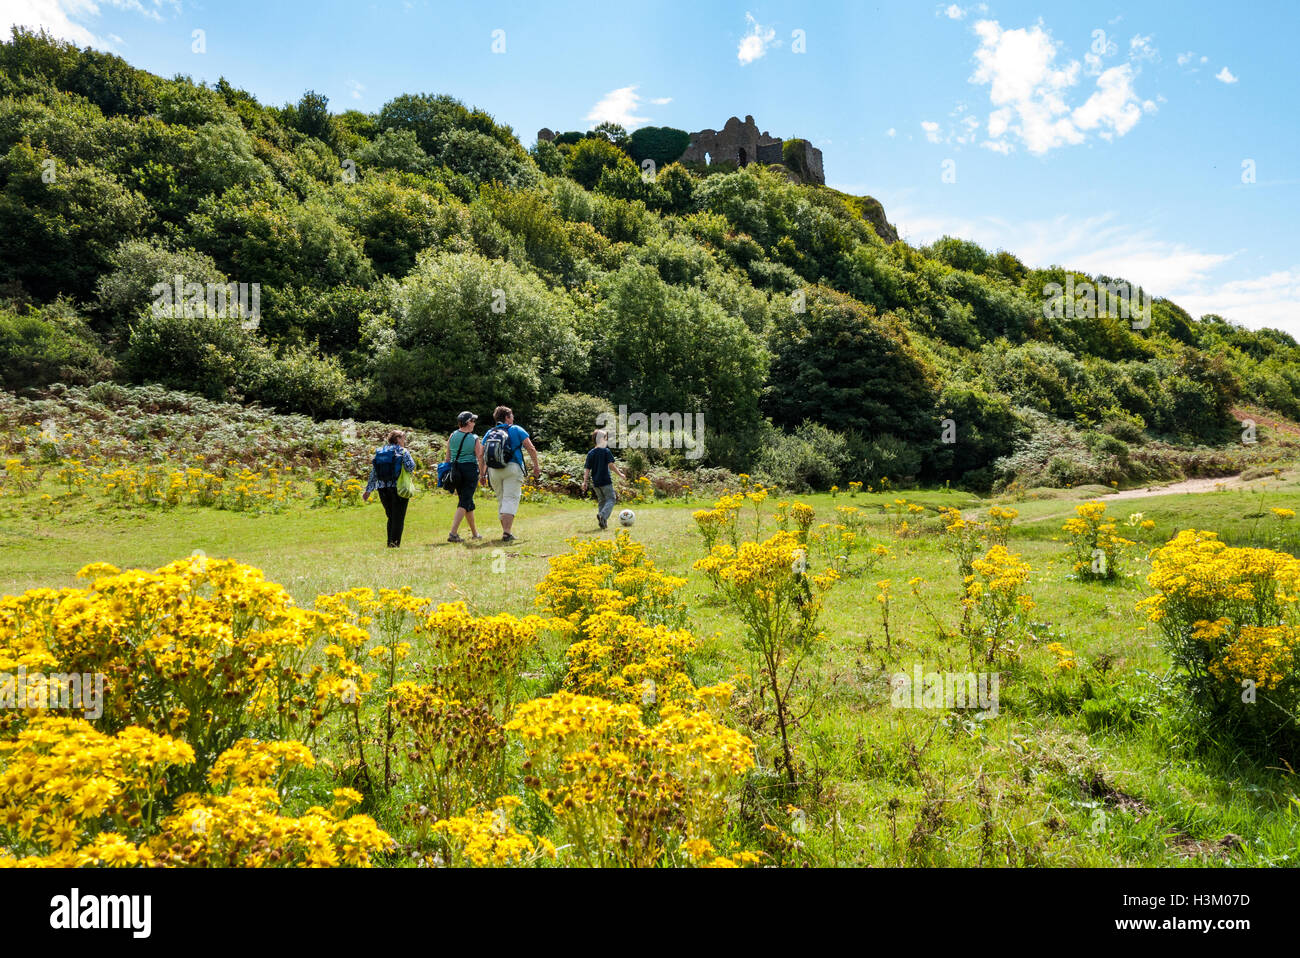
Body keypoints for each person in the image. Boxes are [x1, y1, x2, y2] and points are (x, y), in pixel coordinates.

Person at [482, 405, 539, 543]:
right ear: (507, 417)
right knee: (511, 499)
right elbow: (531, 448)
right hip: (512, 467)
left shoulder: (490, 432)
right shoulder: (516, 429)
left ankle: (506, 531)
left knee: (502, 500)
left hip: (493, 469)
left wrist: (482, 474)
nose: (513, 418)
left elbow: (481, 454)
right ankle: (507, 533)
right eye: (512, 415)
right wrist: (536, 466)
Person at [362, 430, 417, 548]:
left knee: (391, 517)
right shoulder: (403, 451)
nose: (404, 441)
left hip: (382, 489)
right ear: (397, 439)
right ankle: (394, 545)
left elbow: (374, 473)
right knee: (398, 518)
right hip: (398, 489)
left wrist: (368, 490)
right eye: (403, 438)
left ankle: (390, 544)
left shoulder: (381, 452)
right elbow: (411, 467)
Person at [445, 411, 485, 543]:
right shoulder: (474, 438)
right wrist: (482, 473)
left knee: (467, 501)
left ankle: (475, 533)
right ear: (468, 422)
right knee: (464, 501)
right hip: (469, 470)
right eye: (473, 420)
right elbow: (480, 456)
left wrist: (447, 469)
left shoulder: (452, 435)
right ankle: (453, 533)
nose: (474, 423)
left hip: (456, 470)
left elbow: (448, 455)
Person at [581, 429, 626, 530]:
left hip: (596, 482)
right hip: (605, 480)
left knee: (602, 501)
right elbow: (611, 465)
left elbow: (587, 469)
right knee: (611, 499)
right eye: (606, 438)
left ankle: (603, 523)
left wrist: (585, 482)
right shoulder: (606, 451)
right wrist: (620, 474)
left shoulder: (591, 453)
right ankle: (603, 515)